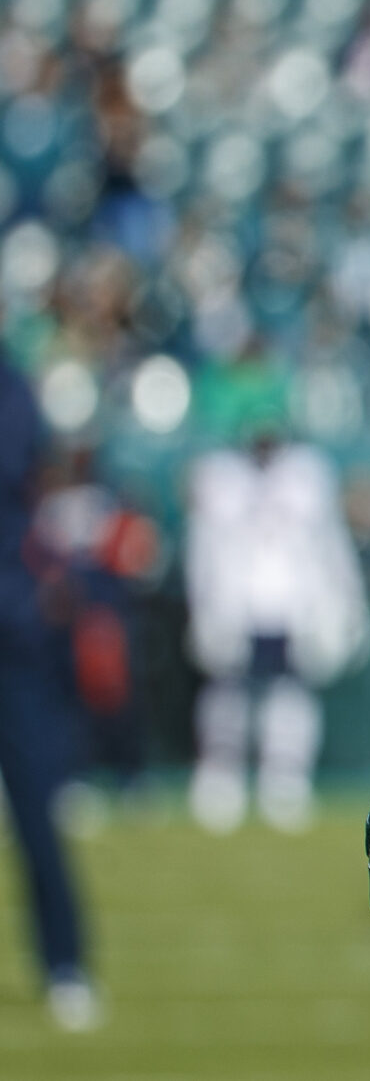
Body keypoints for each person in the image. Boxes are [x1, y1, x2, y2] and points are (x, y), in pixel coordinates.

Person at [183, 399, 370, 834]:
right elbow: (202, 545)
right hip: (236, 600)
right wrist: (203, 604)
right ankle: (220, 773)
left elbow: (331, 543)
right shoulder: (219, 475)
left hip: (292, 603)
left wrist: (345, 600)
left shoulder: (308, 472)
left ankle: (285, 777)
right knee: (227, 691)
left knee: (291, 692)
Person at [0, 354, 99, 1031]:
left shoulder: (9, 385)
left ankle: (65, 964)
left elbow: (22, 471)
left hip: (10, 623)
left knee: (36, 806)